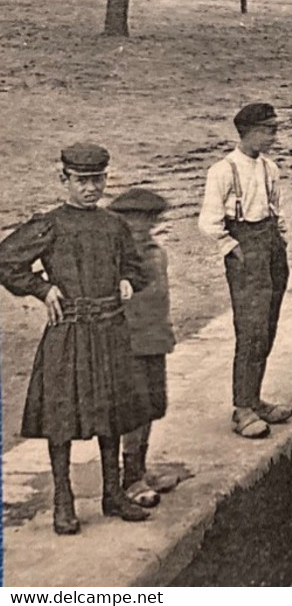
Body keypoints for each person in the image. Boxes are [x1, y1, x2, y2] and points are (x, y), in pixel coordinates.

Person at [0, 144, 154, 534]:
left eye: (97, 180)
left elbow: (136, 267)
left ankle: (112, 493)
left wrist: (126, 280)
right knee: (61, 418)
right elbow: (6, 261)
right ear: (64, 180)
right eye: (81, 181)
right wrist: (41, 288)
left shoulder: (114, 225)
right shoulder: (50, 224)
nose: (90, 189)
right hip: (67, 331)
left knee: (112, 412)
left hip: (109, 329)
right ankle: (62, 501)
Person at [199, 103, 292, 439]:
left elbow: (276, 210)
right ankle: (242, 409)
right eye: (268, 130)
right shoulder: (223, 170)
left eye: (274, 129)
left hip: (270, 247)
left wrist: (279, 242)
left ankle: (255, 399)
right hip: (245, 250)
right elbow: (209, 223)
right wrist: (232, 248)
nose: (273, 137)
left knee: (267, 327)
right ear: (249, 131)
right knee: (250, 330)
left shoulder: (270, 168)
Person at [108, 188, 182, 508]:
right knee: (134, 411)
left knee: (153, 406)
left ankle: (142, 467)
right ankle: (130, 478)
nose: (139, 226)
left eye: (146, 219)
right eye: (131, 220)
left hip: (154, 340)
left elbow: (160, 300)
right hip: (129, 345)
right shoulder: (116, 259)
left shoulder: (157, 252)